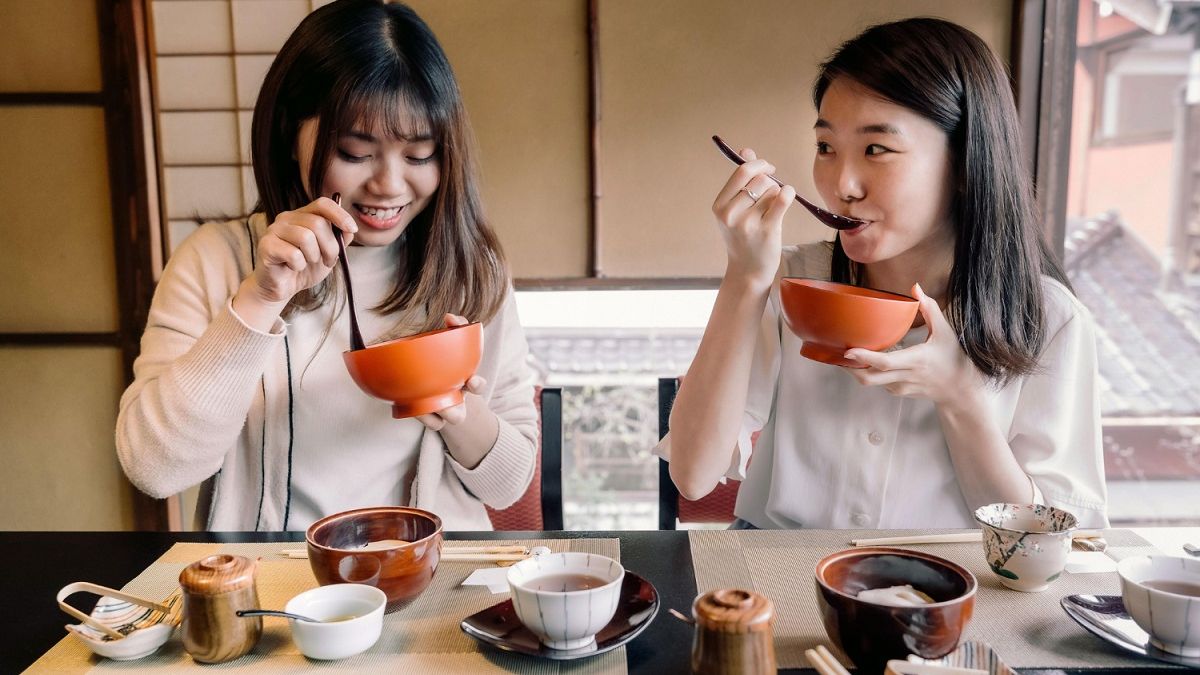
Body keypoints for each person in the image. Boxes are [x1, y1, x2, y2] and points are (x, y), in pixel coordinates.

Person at [658, 17, 1108, 530]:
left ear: (964, 164)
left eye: (877, 149)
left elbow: (1053, 543)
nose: (842, 184)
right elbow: (694, 475)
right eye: (826, 147)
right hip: (780, 576)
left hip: (949, 594)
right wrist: (744, 276)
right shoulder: (792, 279)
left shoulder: (1048, 320)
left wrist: (959, 396)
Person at [116, 0, 537, 531]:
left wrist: (455, 407)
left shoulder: (470, 270)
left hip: (432, 579)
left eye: (419, 154)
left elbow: (508, 483)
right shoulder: (216, 260)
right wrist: (259, 301)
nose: (388, 184)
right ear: (293, 135)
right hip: (272, 589)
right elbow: (154, 469)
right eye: (355, 152)